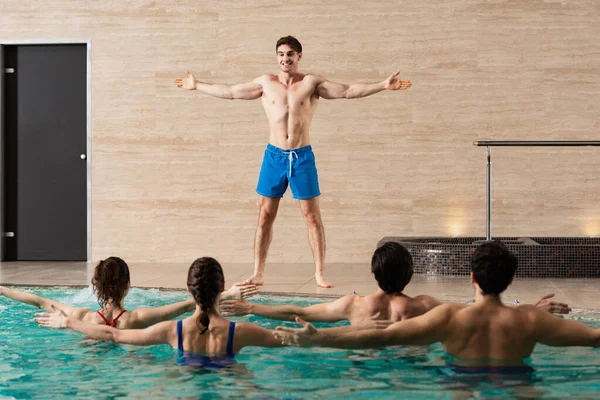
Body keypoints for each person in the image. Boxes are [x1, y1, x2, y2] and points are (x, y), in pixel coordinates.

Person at [174, 36, 412, 288]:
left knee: (312, 217)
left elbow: (348, 91)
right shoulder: (265, 83)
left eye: (290, 54)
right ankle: (258, 273)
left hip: (301, 157)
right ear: (276, 56)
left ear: (299, 56)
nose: (285, 58)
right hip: (274, 156)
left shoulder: (311, 82)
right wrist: (197, 85)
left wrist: (382, 85)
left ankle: (320, 273)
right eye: (280, 54)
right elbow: (231, 92)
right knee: (265, 215)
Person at [273, 241, 594, 369]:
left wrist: (318, 339)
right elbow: (594, 338)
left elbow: (379, 336)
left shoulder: (450, 317)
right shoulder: (530, 320)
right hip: (518, 383)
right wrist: (534, 311)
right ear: (510, 280)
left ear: (471, 278)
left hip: (460, 383)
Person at [221, 242, 570, 325]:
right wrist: (529, 311)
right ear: (409, 274)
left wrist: (252, 308)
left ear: (374, 273)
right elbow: (482, 311)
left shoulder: (353, 305)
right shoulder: (425, 306)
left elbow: (299, 311)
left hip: (362, 365)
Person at [34, 257, 293, 360]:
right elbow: (290, 339)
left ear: (189, 289)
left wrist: (67, 322)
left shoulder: (172, 331)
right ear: (221, 286)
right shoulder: (241, 332)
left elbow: (112, 335)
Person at [1, 256, 256, 329]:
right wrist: (230, 294)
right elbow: (190, 304)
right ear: (127, 286)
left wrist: (1, 289)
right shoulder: (137, 319)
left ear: (97, 287)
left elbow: (36, 300)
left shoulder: (81, 317)